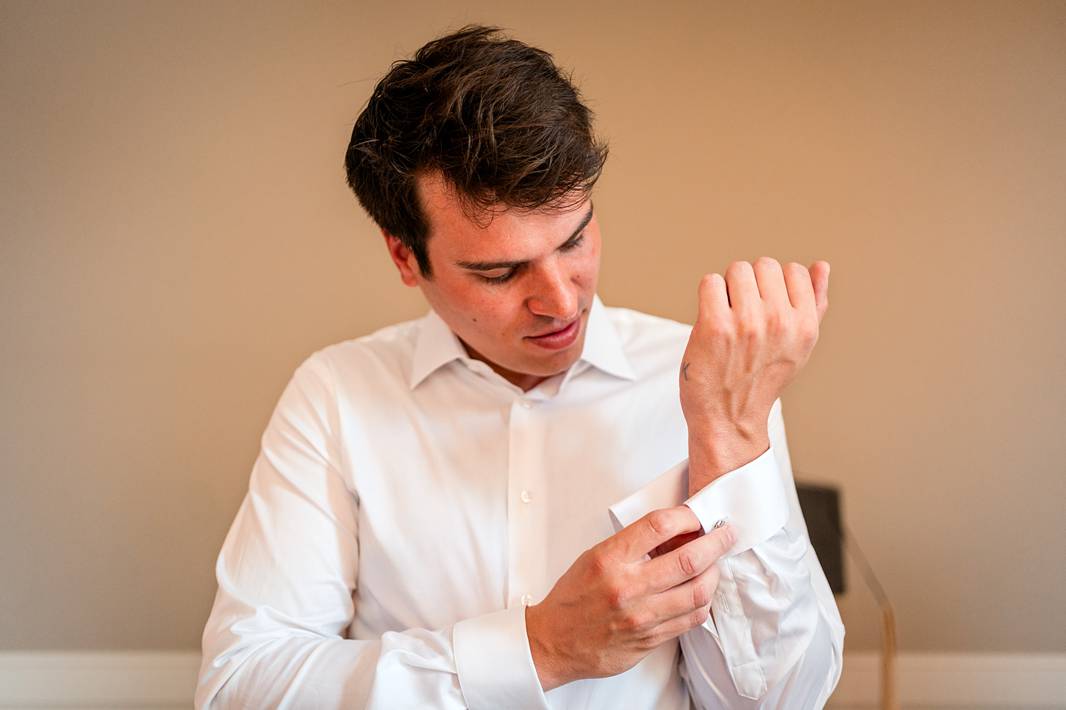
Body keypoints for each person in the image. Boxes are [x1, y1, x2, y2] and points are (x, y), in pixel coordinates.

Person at [195, 25, 844, 709]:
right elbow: (242, 686)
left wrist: (732, 434)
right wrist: (541, 648)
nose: (561, 300)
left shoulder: (718, 381)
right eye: (501, 272)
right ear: (404, 257)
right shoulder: (337, 396)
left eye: (574, 239)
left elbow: (779, 701)